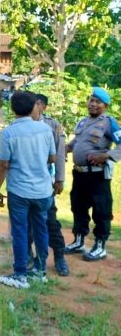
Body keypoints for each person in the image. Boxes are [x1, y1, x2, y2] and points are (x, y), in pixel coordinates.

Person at [0, 91, 55, 289]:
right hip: (43, 190)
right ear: (34, 107)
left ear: (12, 109)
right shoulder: (45, 129)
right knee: (41, 229)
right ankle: (40, 271)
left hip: (19, 190)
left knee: (19, 231)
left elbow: (3, 165)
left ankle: (20, 274)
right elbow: (52, 158)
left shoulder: (8, 133)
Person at [64, 87, 121, 261]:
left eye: (98, 102)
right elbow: (76, 142)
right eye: (91, 100)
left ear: (105, 106)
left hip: (97, 176)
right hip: (79, 174)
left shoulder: (109, 123)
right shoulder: (83, 122)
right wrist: (65, 148)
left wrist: (106, 155)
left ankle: (100, 246)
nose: (93, 104)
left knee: (101, 210)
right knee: (78, 207)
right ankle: (79, 241)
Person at [27, 94, 69, 276]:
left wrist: (59, 179)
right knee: (24, 222)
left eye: (37, 103)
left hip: (45, 182)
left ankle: (59, 256)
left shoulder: (52, 125)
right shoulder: (21, 124)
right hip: (24, 182)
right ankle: (28, 255)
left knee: (50, 220)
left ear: (41, 106)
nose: (34, 107)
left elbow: (59, 154)